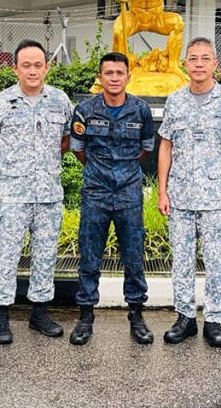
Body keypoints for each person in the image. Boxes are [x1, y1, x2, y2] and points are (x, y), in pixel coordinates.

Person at [0, 40, 73, 345]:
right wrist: (6, 167)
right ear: (14, 68)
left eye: (38, 64)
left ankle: (39, 313)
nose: (32, 70)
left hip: (48, 196)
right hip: (11, 196)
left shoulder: (60, 101)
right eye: (26, 65)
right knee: (6, 256)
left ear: (47, 67)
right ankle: (1, 316)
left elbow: (67, 140)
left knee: (45, 256)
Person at [157, 36, 221, 348]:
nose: (199, 64)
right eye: (193, 58)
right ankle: (184, 318)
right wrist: (162, 192)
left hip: (218, 198)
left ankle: (213, 320)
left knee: (216, 262)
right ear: (185, 63)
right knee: (181, 261)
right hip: (181, 197)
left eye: (205, 58)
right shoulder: (175, 101)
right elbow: (166, 147)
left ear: (214, 64)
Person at [68, 52, 155, 346]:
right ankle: (85, 317)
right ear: (100, 78)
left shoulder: (141, 110)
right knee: (89, 254)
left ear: (128, 77)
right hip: (96, 191)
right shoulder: (85, 110)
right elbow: (79, 149)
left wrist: (124, 168)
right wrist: (100, 169)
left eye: (120, 73)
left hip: (129, 192)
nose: (115, 78)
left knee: (133, 255)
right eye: (109, 73)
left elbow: (145, 149)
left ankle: (136, 315)